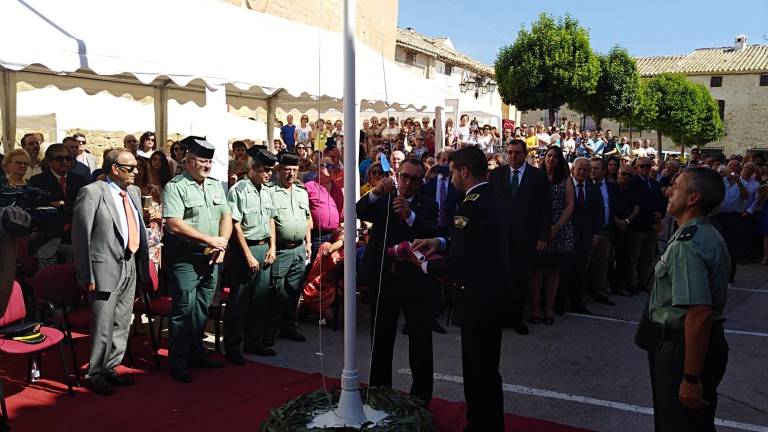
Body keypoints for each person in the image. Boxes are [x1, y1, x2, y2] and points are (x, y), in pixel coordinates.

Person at [406, 146, 508, 431]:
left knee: (477, 374)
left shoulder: (470, 205)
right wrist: (438, 243)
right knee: (489, 371)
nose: (449, 178)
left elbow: (461, 260)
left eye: (452, 171)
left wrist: (424, 266)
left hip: (476, 300)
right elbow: (472, 242)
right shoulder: (492, 199)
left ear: (464, 171)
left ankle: (479, 425)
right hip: (493, 297)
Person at [640, 167, 730, 432]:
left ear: (693, 199)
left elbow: (699, 313)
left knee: (677, 425)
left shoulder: (688, 244)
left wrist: (690, 377)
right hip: (697, 344)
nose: (669, 190)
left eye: (677, 186)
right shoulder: (704, 234)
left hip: (683, 348)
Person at [356, 158, 438, 405]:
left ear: (420, 182)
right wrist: (374, 193)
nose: (407, 182)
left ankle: (420, 398)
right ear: (397, 176)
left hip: (414, 280)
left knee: (420, 340)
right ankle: (379, 392)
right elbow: (359, 210)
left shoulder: (428, 205)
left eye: (414, 178)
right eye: (404, 176)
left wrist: (410, 215)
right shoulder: (384, 198)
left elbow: (433, 231)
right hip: (384, 277)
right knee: (380, 337)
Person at [72, 148, 150, 396]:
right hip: (103, 266)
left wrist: (142, 267)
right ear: (115, 169)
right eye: (131, 168)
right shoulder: (93, 192)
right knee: (103, 323)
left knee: (122, 320)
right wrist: (87, 275)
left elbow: (138, 227)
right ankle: (95, 372)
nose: (136, 172)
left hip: (129, 262)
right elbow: (80, 235)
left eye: (137, 167)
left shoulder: (134, 192)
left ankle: (111, 366)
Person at [162, 136, 232, 383]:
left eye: (209, 161)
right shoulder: (176, 186)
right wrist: (208, 239)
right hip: (186, 258)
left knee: (202, 309)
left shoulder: (214, 186)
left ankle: (196, 352)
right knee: (183, 309)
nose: (207, 166)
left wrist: (221, 244)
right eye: (202, 161)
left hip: (211, 257)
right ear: (189, 161)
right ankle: (178, 362)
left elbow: (226, 216)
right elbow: (173, 223)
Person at [488, 139, 552, 335]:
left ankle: (516, 318)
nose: (513, 156)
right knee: (501, 277)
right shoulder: (497, 174)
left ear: (525, 154)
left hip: (526, 237)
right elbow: (489, 205)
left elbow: (545, 209)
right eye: (510, 152)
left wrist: (543, 237)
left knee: (520, 278)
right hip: (501, 237)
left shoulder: (538, 176)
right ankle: (501, 316)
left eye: (517, 153)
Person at [224, 148, 278, 362]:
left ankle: (253, 342)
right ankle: (233, 347)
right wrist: (247, 255)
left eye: (271, 170)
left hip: (264, 248)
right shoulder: (239, 190)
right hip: (245, 248)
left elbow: (271, 220)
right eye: (265, 170)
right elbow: (235, 224)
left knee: (260, 300)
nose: (269, 174)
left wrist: (273, 247)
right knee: (239, 301)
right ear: (253, 168)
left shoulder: (267, 190)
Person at [266, 153, 312, 346]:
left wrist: (308, 243)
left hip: (299, 249)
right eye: (287, 170)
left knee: (293, 290)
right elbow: (271, 222)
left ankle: (288, 326)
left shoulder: (301, 191)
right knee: (275, 291)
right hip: (281, 250)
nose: (291, 174)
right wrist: (273, 246)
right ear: (279, 170)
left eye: (295, 170)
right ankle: (270, 329)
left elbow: (307, 218)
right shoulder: (271, 191)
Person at [530, 146, 573, 325]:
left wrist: (556, 226)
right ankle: (534, 309)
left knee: (553, 272)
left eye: (555, 156)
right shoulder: (536, 177)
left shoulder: (565, 180)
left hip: (559, 228)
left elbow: (570, 205)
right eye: (549, 156)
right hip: (538, 227)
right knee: (537, 271)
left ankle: (549, 309)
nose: (551, 159)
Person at [555, 157, 603, 315]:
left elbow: (598, 213)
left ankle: (577, 302)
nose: (582, 172)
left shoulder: (593, 188)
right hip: (566, 235)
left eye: (585, 170)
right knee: (564, 270)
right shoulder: (564, 186)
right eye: (579, 169)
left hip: (585, 237)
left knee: (580, 270)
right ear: (573, 170)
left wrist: (596, 234)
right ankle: (559, 302)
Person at [28, 144, 89, 268]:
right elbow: (36, 207)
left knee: (71, 278)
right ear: (50, 161)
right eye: (60, 158)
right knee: (48, 280)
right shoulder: (37, 181)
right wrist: (59, 205)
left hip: (73, 238)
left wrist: (57, 204)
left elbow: (83, 205)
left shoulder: (80, 180)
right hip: (47, 239)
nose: (65, 161)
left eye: (68, 158)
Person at [587, 157, 618, 306]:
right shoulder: (585, 186)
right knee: (585, 263)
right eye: (591, 167)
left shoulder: (612, 187)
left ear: (604, 171)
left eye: (596, 168)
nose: (592, 171)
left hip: (605, 231)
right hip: (588, 232)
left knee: (602, 264)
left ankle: (600, 292)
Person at [305, 157, 343, 260]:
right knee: (316, 265)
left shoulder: (338, 190)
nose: (330, 169)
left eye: (332, 166)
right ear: (318, 169)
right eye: (327, 166)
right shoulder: (309, 187)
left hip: (335, 235)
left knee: (333, 268)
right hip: (317, 235)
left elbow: (341, 212)